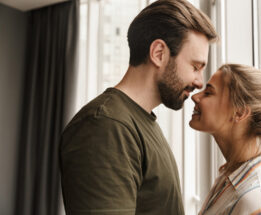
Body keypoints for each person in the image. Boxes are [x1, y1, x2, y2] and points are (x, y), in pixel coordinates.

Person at [59, 0, 217, 215]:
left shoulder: (139, 121)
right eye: (195, 67)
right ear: (159, 53)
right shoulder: (106, 126)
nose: (200, 82)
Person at [190, 64, 261, 215]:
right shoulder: (232, 175)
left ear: (240, 112)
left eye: (208, 93)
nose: (195, 97)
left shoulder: (257, 202)